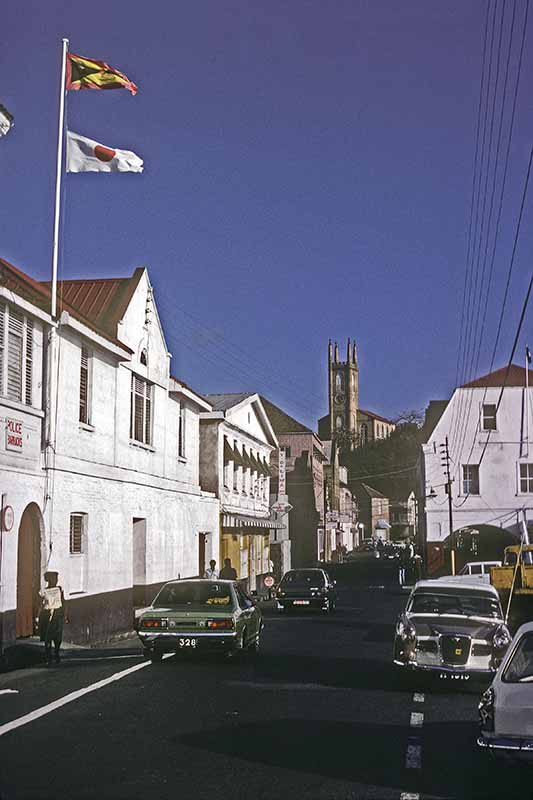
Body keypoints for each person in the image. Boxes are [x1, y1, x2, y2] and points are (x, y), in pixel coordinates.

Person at [39, 571, 67, 665]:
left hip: (58, 614)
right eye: (54, 579)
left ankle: (56, 653)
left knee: (57, 636)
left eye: (56, 579)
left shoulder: (59, 589)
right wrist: (38, 617)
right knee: (47, 637)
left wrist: (65, 614)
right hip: (47, 615)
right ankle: (48, 657)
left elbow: (63, 601)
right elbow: (41, 604)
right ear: (49, 580)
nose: (56, 581)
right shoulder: (44, 591)